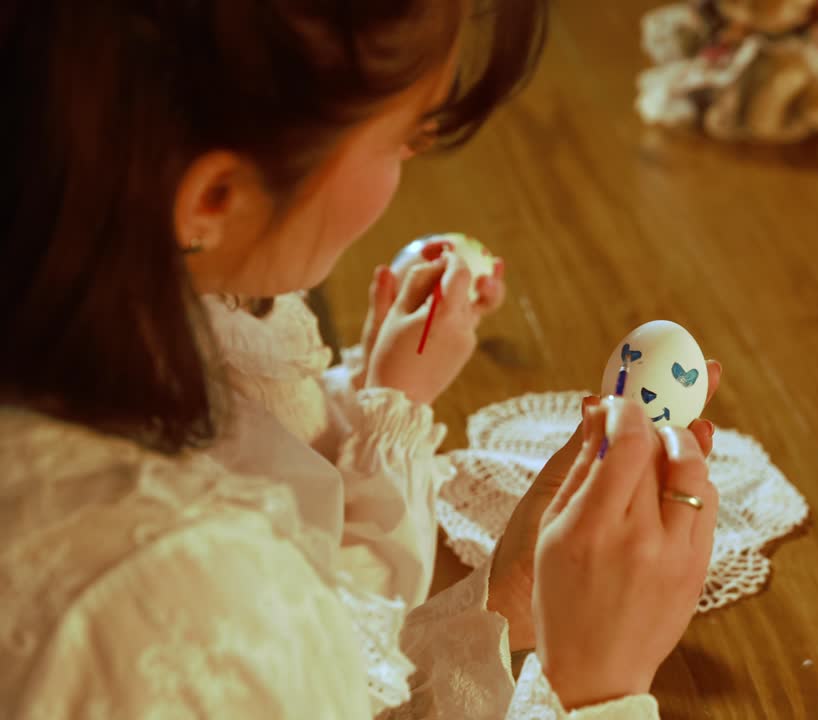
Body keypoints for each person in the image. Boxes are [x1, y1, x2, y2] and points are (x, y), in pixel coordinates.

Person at [0, 2, 721, 717]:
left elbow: (330, 682)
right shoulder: (173, 602)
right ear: (216, 196)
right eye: (405, 135)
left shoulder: (93, 315)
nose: (414, 155)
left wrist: (503, 602)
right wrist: (596, 682)